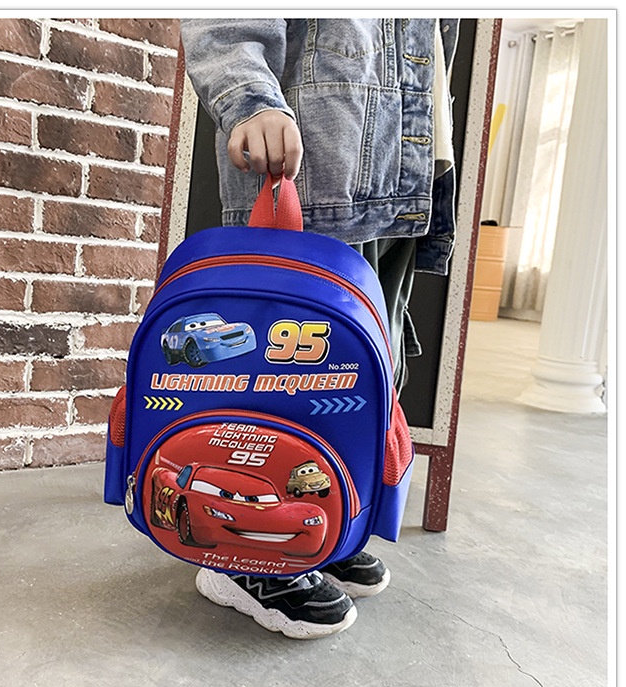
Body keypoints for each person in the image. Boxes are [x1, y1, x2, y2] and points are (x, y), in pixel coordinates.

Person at [180, 18, 459, 638]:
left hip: (399, 171)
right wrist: (248, 97)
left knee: (361, 378)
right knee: (276, 382)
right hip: (317, 160)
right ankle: (240, 559)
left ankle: (319, 530)